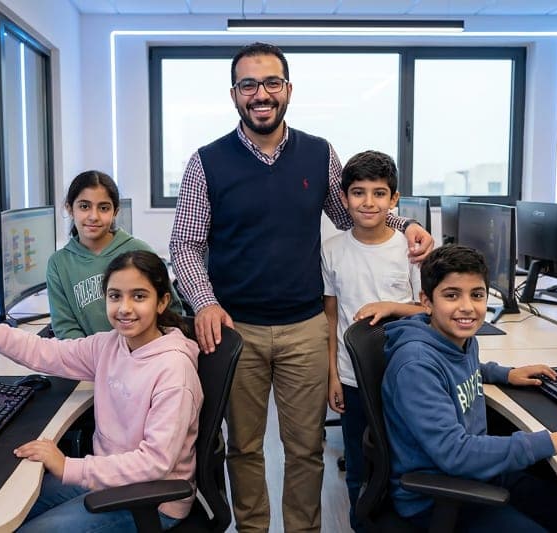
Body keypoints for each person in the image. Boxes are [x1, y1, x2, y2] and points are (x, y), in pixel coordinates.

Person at [169, 42, 434, 531]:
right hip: (236, 331)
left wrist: (406, 225)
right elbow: (184, 244)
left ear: (287, 89)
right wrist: (203, 303)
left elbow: (352, 211)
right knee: (245, 449)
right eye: (249, 84)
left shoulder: (318, 153)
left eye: (271, 82)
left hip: (306, 327)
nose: (261, 94)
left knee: (306, 449)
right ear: (234, 95)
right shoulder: (206, 161)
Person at [0, 250, 202, 531]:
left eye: (139, 296)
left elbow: (155, 463)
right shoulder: (110, 345)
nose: (124, 308)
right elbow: (44, 352)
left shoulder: (173, 370)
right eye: (115, 296)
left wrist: (67, 467)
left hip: (153, 500)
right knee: (9, 508)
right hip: (107, 476)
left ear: (162, 302)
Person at [382, 244, 557, 531]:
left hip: (478, 473)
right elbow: (455, 454)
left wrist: (503, 373)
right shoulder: (416, 366)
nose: (467, 307)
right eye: (451, 295)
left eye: (477, 295)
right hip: (438, 497)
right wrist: (553, 441)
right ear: (426, 302)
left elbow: (463, 370)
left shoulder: (458, 340)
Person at [321, 150, 423, 531]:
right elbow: (331, 318)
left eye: (379, 193)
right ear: (344, 199)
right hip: (351, 378)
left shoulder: (409, 249)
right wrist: (333, 376)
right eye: (358, 193)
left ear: (394, 200)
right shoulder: (331, 250)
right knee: (358, 468)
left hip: (404, 377)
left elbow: (427, 313)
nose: (368, 202)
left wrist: (391, 306)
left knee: (399, 462)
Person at [48, 169, 183, 340]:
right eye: (84, 206)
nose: (93, 216)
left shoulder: (138, 250)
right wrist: (101, 360)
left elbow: (172, 312)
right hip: (92, 362)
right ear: (69, 208)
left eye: (103, 208)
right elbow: (65, 328)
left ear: (115, 212)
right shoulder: (59, 264)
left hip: (144, 357)